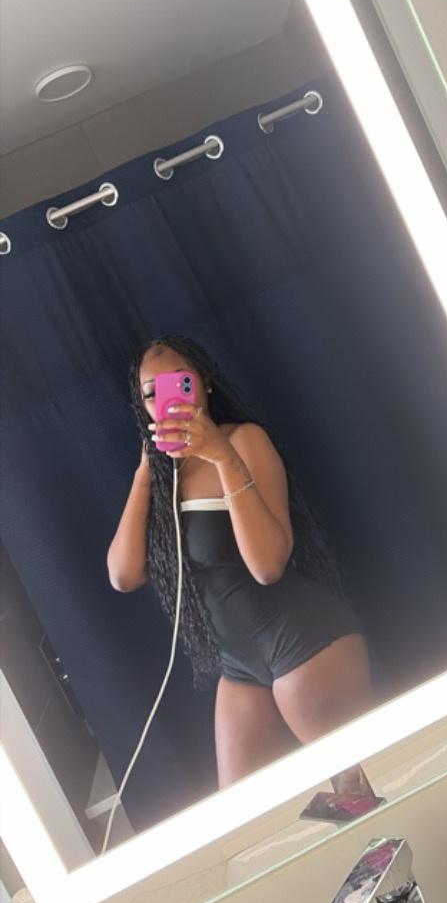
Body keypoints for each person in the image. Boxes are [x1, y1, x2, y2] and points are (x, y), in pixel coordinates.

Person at [107, 334, 374, 787]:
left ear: (204, 383)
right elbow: (123, 575)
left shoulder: (244, 441)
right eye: (152, 394)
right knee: (251, 815)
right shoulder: (163, 479)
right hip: (239, 666)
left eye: (181, 383)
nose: (168, 401)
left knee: (360, 790)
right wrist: (145, 472)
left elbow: (268, 565)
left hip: (304, 642)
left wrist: (220, 456)